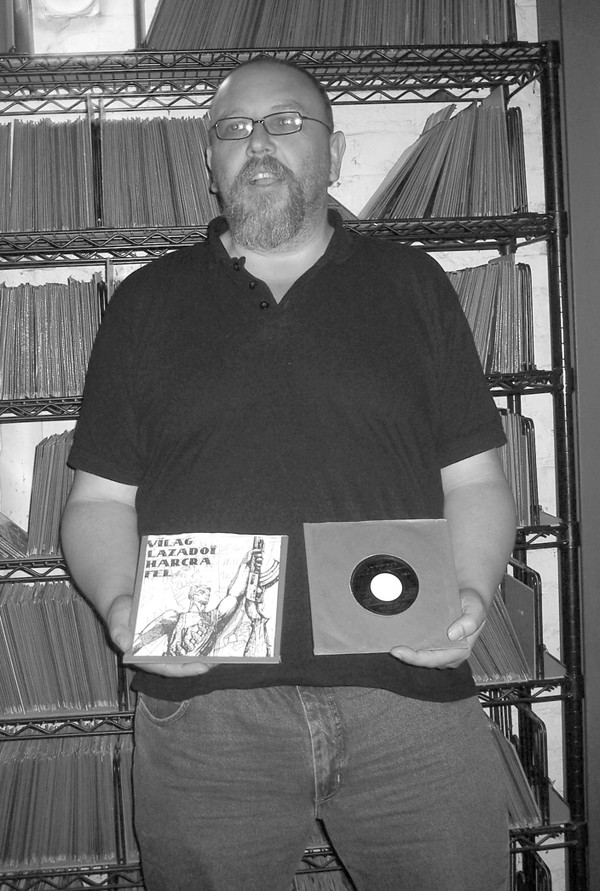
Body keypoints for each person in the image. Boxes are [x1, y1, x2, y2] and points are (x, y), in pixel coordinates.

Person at [61, 57, 517, 891]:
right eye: (234, 129)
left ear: (334, 153)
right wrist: (124, 607)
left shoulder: (414, 285)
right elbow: (98, 501)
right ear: (210, 161)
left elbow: (476, 480)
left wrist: (472, 596)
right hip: (205, 713)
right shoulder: (145, 303)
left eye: (286, 122)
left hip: (410, 690)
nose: (259, 143)